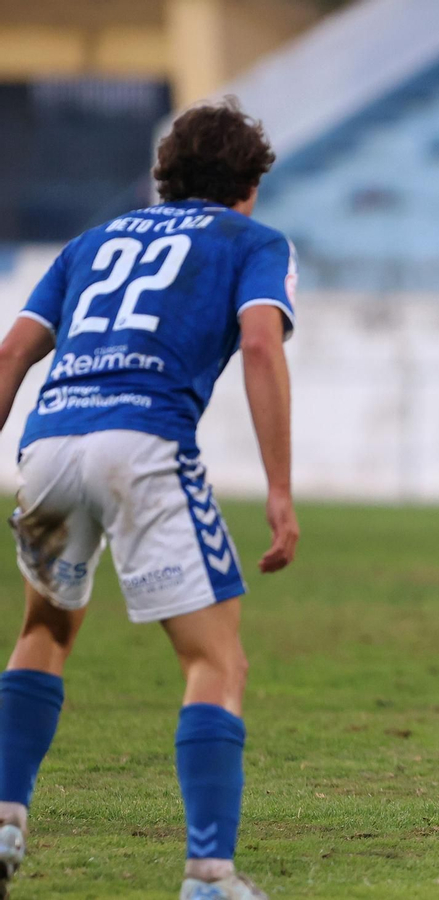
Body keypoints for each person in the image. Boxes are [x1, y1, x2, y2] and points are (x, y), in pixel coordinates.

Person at [0, 99, 299, 900]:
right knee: (215, 657)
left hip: (51, 441)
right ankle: (208, 874)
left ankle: (4, 815)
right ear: (248, 185)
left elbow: (13, 354)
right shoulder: (252, 241)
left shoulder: (90, 242)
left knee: (46, 629)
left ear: (165, 178)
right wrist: (278, 488)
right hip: (144, 442)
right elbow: (263, 343)